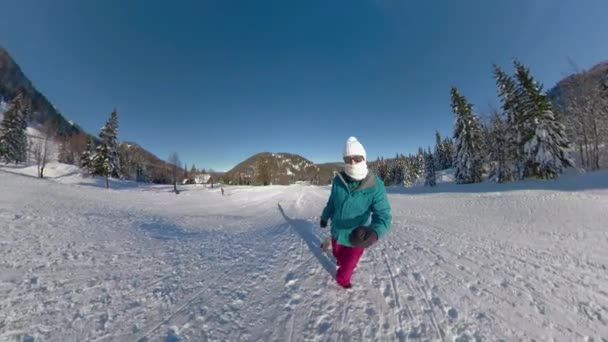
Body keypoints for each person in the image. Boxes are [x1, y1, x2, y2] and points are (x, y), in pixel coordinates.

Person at [320, 136, 392, 289]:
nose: (352, 163)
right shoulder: (338, 181)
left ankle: (342, 280)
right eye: (348, 159)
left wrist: (374, 233)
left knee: (348, 266)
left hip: (358, 237)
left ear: (364, 159)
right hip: (337, 232)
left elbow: (383, 216)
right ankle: (339, 260)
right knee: (338, 256)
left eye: (357, 158)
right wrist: (325, 216)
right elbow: (332, 202)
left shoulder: (375, 185)